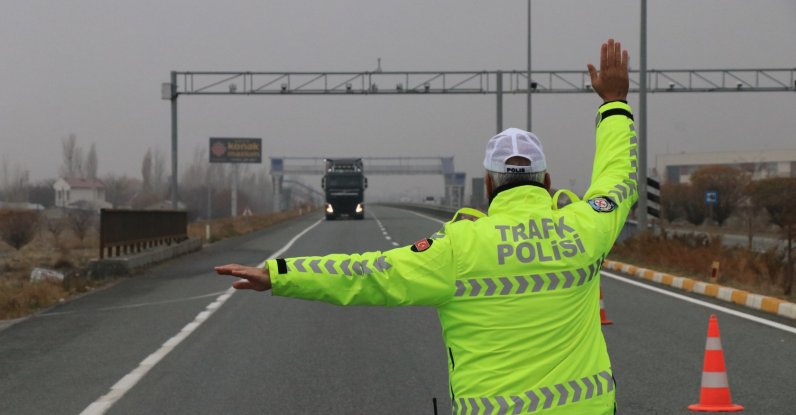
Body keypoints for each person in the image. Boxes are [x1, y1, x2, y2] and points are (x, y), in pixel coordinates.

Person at [215, 38, 636, 415]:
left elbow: (369, 274)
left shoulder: (457, 246)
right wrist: (614, 102)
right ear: (547, 181)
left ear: (488, 185)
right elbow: (619, 179)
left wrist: (280, 274)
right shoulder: (583, 228)